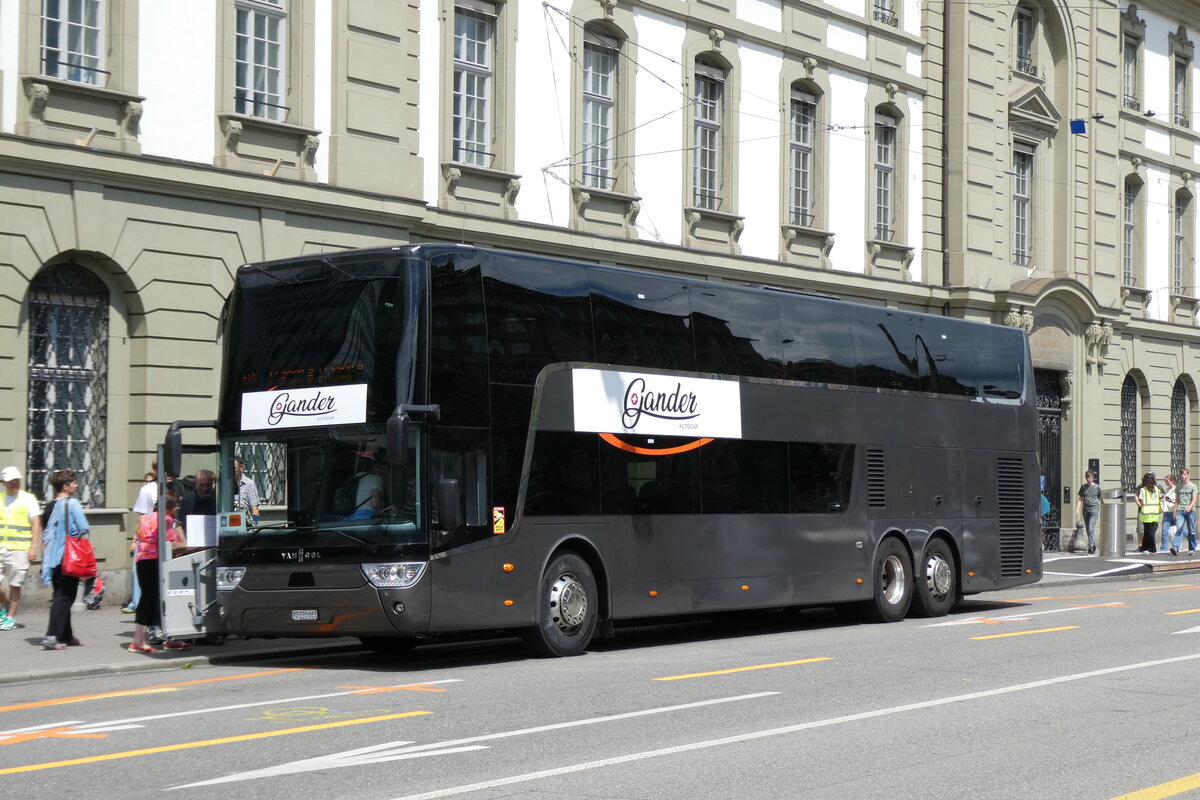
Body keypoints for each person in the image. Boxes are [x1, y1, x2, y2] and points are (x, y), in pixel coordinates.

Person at [130, 492, 187, 654]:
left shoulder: (149, 517)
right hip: (154, 562)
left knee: (154, 600)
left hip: (142, 561)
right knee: (152, 600)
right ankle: (138, 641)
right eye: (175, 505)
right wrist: (187, 543)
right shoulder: (166, 520)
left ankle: (169, 637)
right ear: (169, 507)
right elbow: (172, 544)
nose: (177, 508)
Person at [39, 469, 88, 650]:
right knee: (64, 597)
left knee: (62, 594)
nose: (76, 485)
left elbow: (46, 533)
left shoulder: (49, 506)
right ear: (65, 487)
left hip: (52, 558)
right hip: (69, 556)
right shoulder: (72, 503)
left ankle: (66, 634)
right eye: (74, 483)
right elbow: (83, 527)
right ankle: (52, 636)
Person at [0, 466, 42, 631]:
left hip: (19, 549)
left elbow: (36, 523)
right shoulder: (1, 498)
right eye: (10, 480)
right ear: (3, 482)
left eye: (16, 480)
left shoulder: (28, 499)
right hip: (1, 546)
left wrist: (33, 547)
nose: (14, 483)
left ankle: (10, 617)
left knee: (15, 585)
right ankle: (4, 606)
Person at [124, 463, 158, 614]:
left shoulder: (176, 488)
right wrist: (137, 541)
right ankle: (139, 606)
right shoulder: (147, 490)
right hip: (150, 543)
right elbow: (142, 519)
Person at [1074, 470, 1101, 555]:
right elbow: (1081, 499)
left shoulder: (1097, 487)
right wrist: (1077, 509)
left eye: (1090, 477)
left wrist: (1101, 505)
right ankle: (1093, 545)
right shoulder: (1083, 487)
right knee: (1088, 529)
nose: (1088, 479)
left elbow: (1100, 498)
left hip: (1094, 509)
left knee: (1091, 528)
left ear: (1092, 478)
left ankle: (1091, 547)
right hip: (1085, 510)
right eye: (1087, 477)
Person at [1135, 472, 1163, 554]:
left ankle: (1147, 548)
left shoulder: (1143, 490)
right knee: (1150, 532)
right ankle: (1149, 548)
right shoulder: (1157, 489)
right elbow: (1160, 498)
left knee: (1148, 531)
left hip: (1145, 514)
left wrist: (1141, 506)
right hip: (1155, 513)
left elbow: (1141, 501)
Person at [232, 456, 261, 525]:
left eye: (234, 469)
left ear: (241, 467)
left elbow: (255, 511)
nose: (231, 472)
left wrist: (254, 526)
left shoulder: (249, 484)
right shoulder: (224, 485)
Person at [1177, 468, 1198, 554]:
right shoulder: (1178, 486)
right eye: (1182, 474)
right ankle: (1176, 548)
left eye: (1185, 474)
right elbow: (1176, 500)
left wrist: (1190, 506)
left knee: (1191, 530)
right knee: (1179, 528)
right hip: (1180, 510)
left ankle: (1192, 548)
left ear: (1188, 475)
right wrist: (1175, 511)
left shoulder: (1193, 486)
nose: (1183, 476)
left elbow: (1194, 499)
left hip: (1190, 511)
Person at [1162, 475, 1178, 554]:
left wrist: (1171, 500)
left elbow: (1178, 502)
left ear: (1172, 481)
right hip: (1167, 512)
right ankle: (1163, 549)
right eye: (1165, 481)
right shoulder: (1167, 489)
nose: (1166, 483)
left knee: (1180, 531)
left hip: (1175, 512)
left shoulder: (1177, 489)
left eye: (1167, 481)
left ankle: (1194, 543)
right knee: (1164, 531)